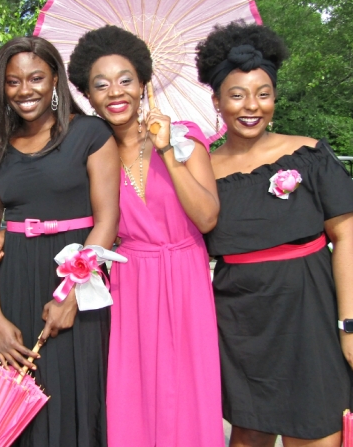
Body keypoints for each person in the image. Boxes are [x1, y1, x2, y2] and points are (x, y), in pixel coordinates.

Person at [197, 21, 353, 447]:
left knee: (316, 434)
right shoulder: (201, 170)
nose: (250, 106)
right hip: (240, 325)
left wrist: (351, 325)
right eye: (236, 95)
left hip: (310, 316)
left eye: (263, 93)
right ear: (218, 101)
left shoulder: (308, 153)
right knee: (247, 437)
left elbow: (346, 236)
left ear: (275, 96)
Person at [66, 25, 224, 447]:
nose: (115, 92)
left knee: (189, 388)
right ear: (88, 96)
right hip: (132, 279)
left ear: (143, 84)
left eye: (125, 80)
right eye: (101, 85)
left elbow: (207, 217)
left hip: (186, 273)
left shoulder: (186, 135)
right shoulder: (90, 153)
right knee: (134, 389)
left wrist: (167, 149)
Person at [0, 36, 119, 447]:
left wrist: (72, 295)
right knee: (16, 408)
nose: (26, 90)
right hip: (16, 287)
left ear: (55, 78)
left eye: (36, 78)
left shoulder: (90, 133)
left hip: (79, 285)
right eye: (13, 81)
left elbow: (107, 220)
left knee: (78, 397)